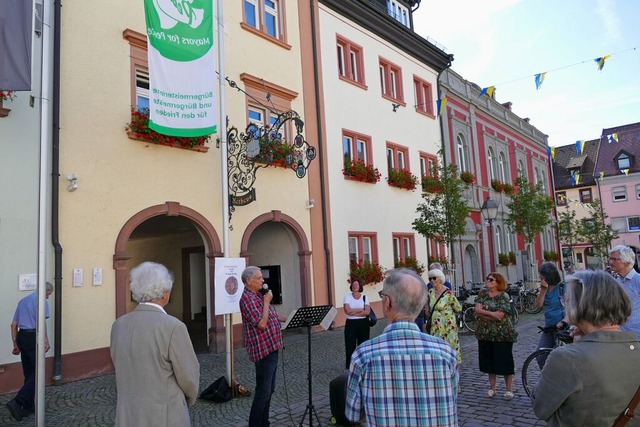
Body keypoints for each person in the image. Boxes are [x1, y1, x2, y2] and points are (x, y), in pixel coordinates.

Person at [345, 268, 458, 426]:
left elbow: (352, 413)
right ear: (419, 305)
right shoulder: (446, 352)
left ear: (387, 302)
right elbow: (452, 400)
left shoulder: (364, 354)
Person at [531, 270, 640, 426]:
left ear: (578, 306)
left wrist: (578, 348)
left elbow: (540, 407)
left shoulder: (566, 358)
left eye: (567, 301)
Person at [110, 262, 200, 427]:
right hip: (164, 414)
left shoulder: (119, 325)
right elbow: (189, 377)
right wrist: (188, 398)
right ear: (165, 293)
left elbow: (119, 364)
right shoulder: (173, 327)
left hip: (127, 414)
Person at [239, 266, 287, 427]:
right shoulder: (247, 299)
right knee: (263, 391)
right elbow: (261, 323)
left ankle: (264, 423)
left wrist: (290, 318)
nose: (263, 281)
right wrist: (266, 302)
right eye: (259, 278)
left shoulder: (257, 296)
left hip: (272, 348)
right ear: (248, 281)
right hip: (263, 351)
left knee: (269, 390)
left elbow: (271, 315)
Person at [6, 282, 54, 422]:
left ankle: (29, 406)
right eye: (48, 294)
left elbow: (13, 325)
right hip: (34, 337)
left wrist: (15, 343)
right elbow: (41, 323)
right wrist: (45, 340)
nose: (48, 297)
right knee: (38, 372)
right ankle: (18, 401)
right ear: (45, 290)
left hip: (22, 336)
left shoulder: (23, 301)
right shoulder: (41, 302)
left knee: (29, 372)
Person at [474, 272, 517, 401]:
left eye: (491, 280)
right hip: (485, 333)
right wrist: (492, 314)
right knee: (489, 362)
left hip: (502, 334)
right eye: (487, 279)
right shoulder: (482, 293)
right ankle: (493, 388)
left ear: (498, 282)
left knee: (505, 361)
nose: (488, 281)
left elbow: (501, 316)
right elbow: (477, 310)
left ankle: (509, 390)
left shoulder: (503, 296)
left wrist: (485, 313)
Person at [426, 268, 463, 362]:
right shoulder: (431, 292)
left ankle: (453, 364)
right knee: (437, 347)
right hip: (435, 325)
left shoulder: (448, 293)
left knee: (449, 345)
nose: (432, 281)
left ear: (440, 279)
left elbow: (458, 308)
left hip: (447, 325)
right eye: (430, 279)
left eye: (434, 278)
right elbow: (428, 305)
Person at [608, 245, 640, 338]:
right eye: (610, 258)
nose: (610, 262)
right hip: (621, 334)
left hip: (637, 335)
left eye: (614, 259)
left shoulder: (637, 280)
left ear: (626, 262)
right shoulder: (616, 281)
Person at [535, 262, 567, 351]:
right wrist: (543, 289)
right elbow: (538, 306)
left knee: (561, 354)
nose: (540, 278)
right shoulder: (545, 289)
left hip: (562, 327)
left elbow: (571, 306)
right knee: (540, 353)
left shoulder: (562, 288)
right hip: (549, 327)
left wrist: (564, 321)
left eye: (542, 276)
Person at [343, 279, 370, 369]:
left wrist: (353, 311)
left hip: (363, 323)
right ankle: (350, 366)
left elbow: (367, 312)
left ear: (360, 287)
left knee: (363, 345)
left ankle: (363, 364)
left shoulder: (365, 297)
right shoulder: (347, 297)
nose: (355, 286)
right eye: (354, 284)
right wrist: (360, 310)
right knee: (350, 345)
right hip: (351, 323)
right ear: (351, 286)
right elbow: (347, 311)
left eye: (357, 285)